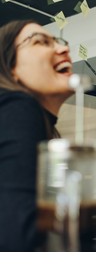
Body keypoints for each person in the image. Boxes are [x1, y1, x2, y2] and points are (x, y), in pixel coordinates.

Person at [0, 20, 74, 251]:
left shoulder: (30, 120)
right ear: (10, 67)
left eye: (59, 42)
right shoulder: (18, 107)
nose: (64, 50)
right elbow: (22, 239)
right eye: (41, 42)